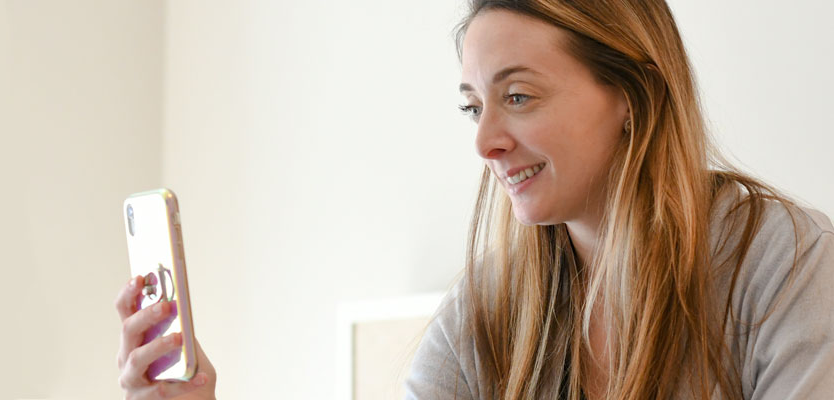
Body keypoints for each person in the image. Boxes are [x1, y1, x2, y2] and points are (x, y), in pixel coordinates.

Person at [115, 0, 834, 399]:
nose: (486, 141)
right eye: (473, 107)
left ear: (633, 95)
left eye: (518, 97)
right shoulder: (489, 308)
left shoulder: (779, 261)